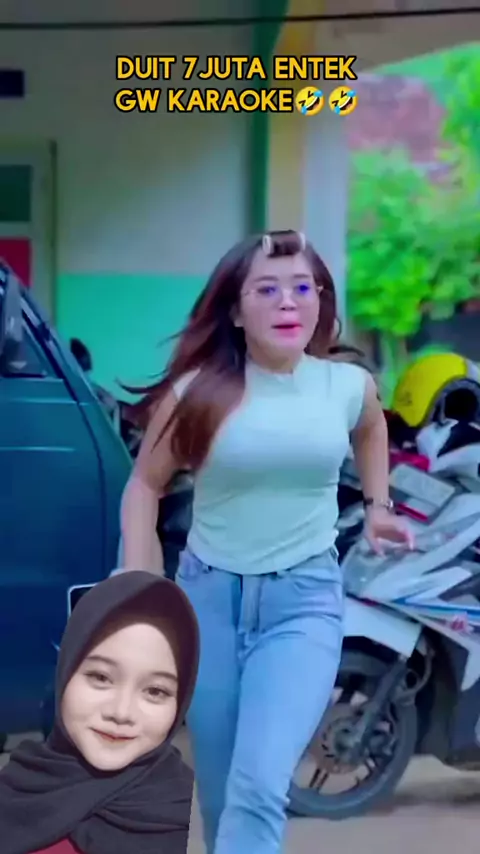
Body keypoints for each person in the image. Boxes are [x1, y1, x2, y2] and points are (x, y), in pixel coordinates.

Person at [119, 230, 414, 854]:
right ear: (235, 310)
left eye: (303, 287)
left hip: (302, 606)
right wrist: (140, 579)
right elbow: (144, 485)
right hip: (207, 604)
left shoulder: (346, 386)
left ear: (320, 300)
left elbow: (371, 431)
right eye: (267, 289)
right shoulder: (197, 394)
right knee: (222, 794)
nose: (288, 302)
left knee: (258, 786)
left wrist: (378, 506)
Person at [0, 571, 199, 854]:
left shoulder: (197, 822)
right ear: (66, 671)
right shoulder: (16, 789)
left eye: (155, 691)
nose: (121, 712)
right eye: (101, 677)